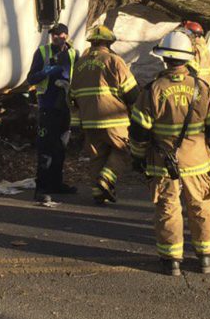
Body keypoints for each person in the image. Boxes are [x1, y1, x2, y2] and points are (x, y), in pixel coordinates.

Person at [130, 31, 210, 275]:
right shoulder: (202, 88)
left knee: (168, 208)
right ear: (187, 59)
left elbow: (139, 132)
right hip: (198, 161)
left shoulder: (152, 90)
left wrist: (139, 158)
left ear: (164, 59)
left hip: (163, 163)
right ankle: (206, 257)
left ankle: (171, 260)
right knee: (201, 206)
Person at [69, 25, 139, 204]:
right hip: (113, 118)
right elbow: (131, 92)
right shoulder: (114, 61)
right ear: (108, 43)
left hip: (89, 120)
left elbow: (73, 96)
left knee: (97, 156)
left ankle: (98, 193)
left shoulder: (79, 65)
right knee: (122, 150)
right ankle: (106, 180)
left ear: (91, 42)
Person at [26, 23, 78, 203]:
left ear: (67, 35)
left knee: (61, 146)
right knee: (45, 148)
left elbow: (77, 77)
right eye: (54, 35)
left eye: (61, 34)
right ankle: (41, 188)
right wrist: (46, 71)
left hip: (65, 105)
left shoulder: (73, 53)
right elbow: (30, 78)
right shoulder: (42, 52)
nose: (57, 38)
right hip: (47, 105)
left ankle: (56, 183)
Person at [181, 21, 210, 92]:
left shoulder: (194, 47)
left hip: (197, 82)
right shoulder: (202, 44)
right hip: (206, 80)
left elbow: (192, 68)